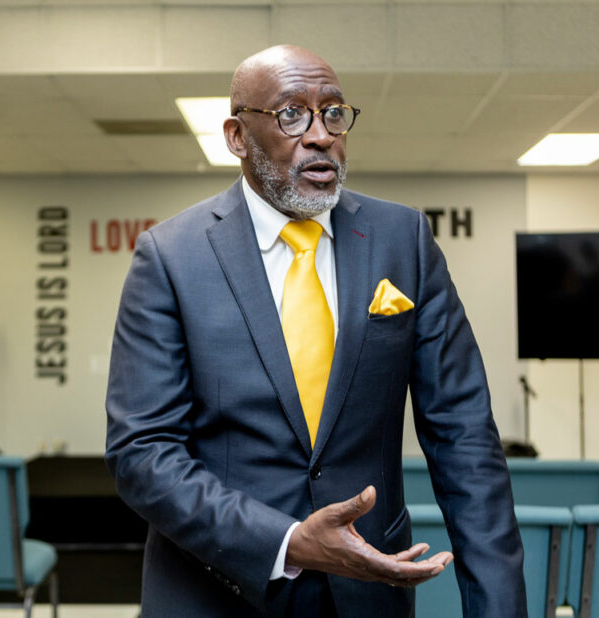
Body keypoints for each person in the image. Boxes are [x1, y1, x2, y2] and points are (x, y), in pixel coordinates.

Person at [105, 45, 525, 617]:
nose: (321, 135)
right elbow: (142, 452)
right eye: (291, 115)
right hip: (215, 594)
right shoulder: (170, 257)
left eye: (332, 113)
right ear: (237, 136)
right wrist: (286, 542)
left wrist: (499, 608)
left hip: (368, 595)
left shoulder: (403, 241)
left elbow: (464, 435)